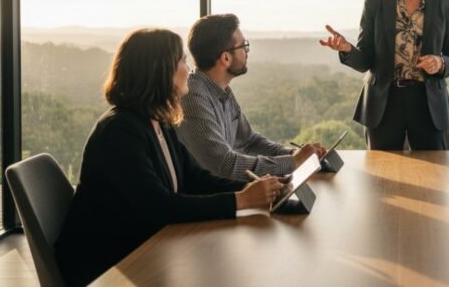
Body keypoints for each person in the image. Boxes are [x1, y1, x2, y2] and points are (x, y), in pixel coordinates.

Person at [54, 29, 285, 286]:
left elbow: (195, 178)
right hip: (107, 266)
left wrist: (258, 188)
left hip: (142, 248)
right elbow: (160, 206)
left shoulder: (157, 121)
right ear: (161, 71)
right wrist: (240, 200)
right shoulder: (120, 131)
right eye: (182, 62)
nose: (188, 69)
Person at [320, 0, 449, 150]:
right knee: (380, 177)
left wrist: (440, 63)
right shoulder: (375, 0)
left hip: (428, 105)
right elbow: (366, 60)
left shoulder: (445, 3)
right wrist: (347, 49)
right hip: (384, 104)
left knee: (433, 177)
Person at [177, 14, 326, 180]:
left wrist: (294, 153)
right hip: (211, 198)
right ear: (226, 58)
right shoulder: (192, 96)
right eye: (244, 46)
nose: (247, 52)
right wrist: (292, 162)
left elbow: (249, 142)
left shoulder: (222, 91)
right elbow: (224, 165)